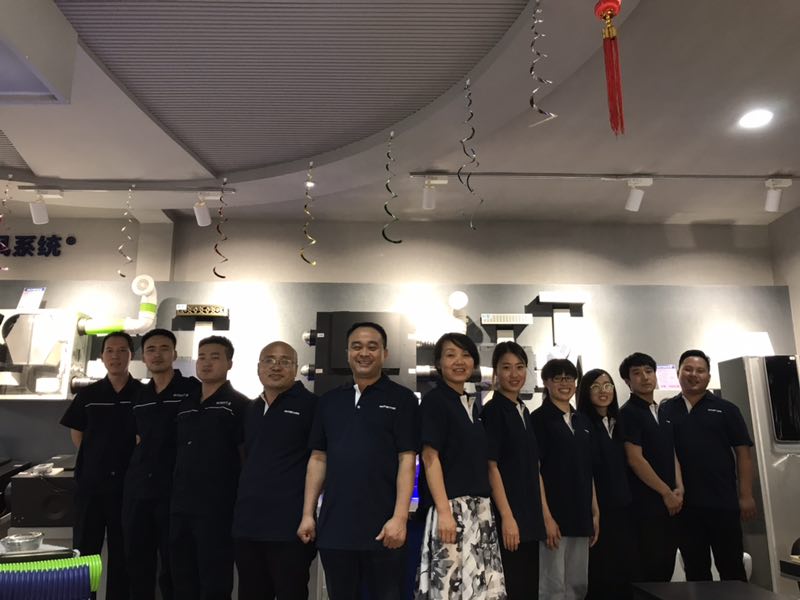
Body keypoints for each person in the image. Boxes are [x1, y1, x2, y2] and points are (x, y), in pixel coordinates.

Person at [298, 322, 419, 600]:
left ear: (385, 353)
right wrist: (307, 515)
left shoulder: (402, 399)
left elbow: (407, 459)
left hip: (384, 529)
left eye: (372, 347)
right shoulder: (328, 401)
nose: (364, 353)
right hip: (335, 529)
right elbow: (318, 459)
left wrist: (399, 518)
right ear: (347, 353)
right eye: (357, 346)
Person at [415, 333, 505, 600]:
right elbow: (430, 458)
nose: (459, 361)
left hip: (480, 510)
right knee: (450, 590)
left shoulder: (471, 404)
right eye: (450, 355)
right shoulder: (434, 402)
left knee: (482, 591)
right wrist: (444, 511)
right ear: (438, 363)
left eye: (466, 355)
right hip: (452, 508)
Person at [660, 349, 756, 581]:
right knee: (695, 569)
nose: (694, 375)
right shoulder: (665, 410)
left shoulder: (726, 409)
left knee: (732, 567)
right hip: (684, 506)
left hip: (723, 502)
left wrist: (746, 495)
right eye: (688, 369)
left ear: (708, 376)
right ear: (678, 373)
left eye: (700, 370)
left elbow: (743, 454)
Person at [232, 341, 318, 600]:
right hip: (248, 525)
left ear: (296, 368)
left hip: (290, 527)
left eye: (284, 361)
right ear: (258, 368)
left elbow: (319, 462)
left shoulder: (312, 406)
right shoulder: (251, 409)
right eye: (269, 360)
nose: (276, 367)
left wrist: (309, 514)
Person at [60, 331, 142, 600]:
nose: (115, 356)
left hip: (128, 488)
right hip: (91, 488)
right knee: (85, 552)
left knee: (124, 553)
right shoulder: (89, 394)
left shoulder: (143, 393)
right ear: (102, 356)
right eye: (110, 351)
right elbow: (77, 433)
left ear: (131, 355)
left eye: (122, 350)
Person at [170, 335, 249, 600]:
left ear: (229, 363)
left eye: (215, 357)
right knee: (182, 577)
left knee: (214, 579)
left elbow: (245, 456)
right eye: (201, 357)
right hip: (180, 505)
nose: (206, 363)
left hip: (217, 507)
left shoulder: (240, 405)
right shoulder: (186, 404)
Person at [124, 328, 200, 600]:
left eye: (164, 348)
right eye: (151, 350)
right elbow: (135, 437)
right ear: (143, 357)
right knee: (138, 563)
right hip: (139, 491)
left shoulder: (192, 390)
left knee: (176, 565)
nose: (157, 355)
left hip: (175, 491)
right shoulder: (140, 395)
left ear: (175, 354)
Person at [531, 358, 599, 600]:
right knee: (553, 585)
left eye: (569, 378)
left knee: (578, 584)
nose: (564, 383)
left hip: (581, 514)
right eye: (557, 378)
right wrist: (546, 517)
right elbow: (535, 471)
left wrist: (595, 511)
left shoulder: (582, 420)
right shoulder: (538, 420)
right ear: (546, 383)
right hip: (554, 515)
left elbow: (588, 469)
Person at [481, 341, 544, 599]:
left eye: (520, 367)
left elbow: (533, 467)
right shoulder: (493, 410)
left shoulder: (523, 409)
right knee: (513, 586)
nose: (514, 374)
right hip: (509, 518)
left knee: (529, 587)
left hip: (529, 518)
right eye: (506, 367)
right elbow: (491, 466)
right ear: (496, 371)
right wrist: (507, 517)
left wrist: (545, 515)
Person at [618, 352, 683, 582]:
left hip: (671, 503)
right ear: (627, 381)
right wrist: (666, 492)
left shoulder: (662, 411)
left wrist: (679, 488)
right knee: (649, 570)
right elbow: (635, 459)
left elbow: (672, 452)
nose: (645, 377)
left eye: (649, 371)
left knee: (666, 566)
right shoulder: (628, 413)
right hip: (645, 504)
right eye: (637, 373)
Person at [576, 368, 638, 599]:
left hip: (624, 507)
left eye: (608, 386)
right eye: (595, 387)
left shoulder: (618, 422)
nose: (603, 391)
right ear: (585, 391)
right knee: (601, 572)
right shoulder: (582, 423)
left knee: (625, 570)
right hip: (599, 508)